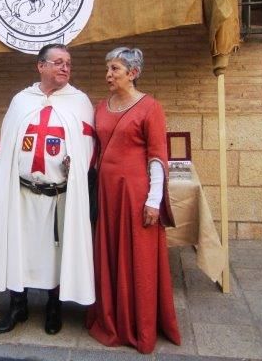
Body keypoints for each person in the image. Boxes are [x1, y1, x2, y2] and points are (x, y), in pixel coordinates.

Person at [86, 47, 181, 354]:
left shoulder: (150, 107)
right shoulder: (101, 106)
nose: (108, 75)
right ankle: (110, 317)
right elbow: (94, 148)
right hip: (107, 193)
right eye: (107, 69)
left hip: (136, 194)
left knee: (137, 259)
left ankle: (139, 325)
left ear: (133, 73)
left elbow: (157, 157)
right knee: (110, 254)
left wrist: (154, 200)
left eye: (114, 69)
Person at [0, 43, 95, 335]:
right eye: (58, 62)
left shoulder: (79, 101)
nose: (65, 67)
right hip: (23, 193)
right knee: (19, 247)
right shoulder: (21, 100)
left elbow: (87, 142)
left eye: (68, 63)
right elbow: (9, 141)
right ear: (41, 66)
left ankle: (54, 307)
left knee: (57, 252)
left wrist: (75, 163)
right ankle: (18, 304)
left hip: (58, 195)